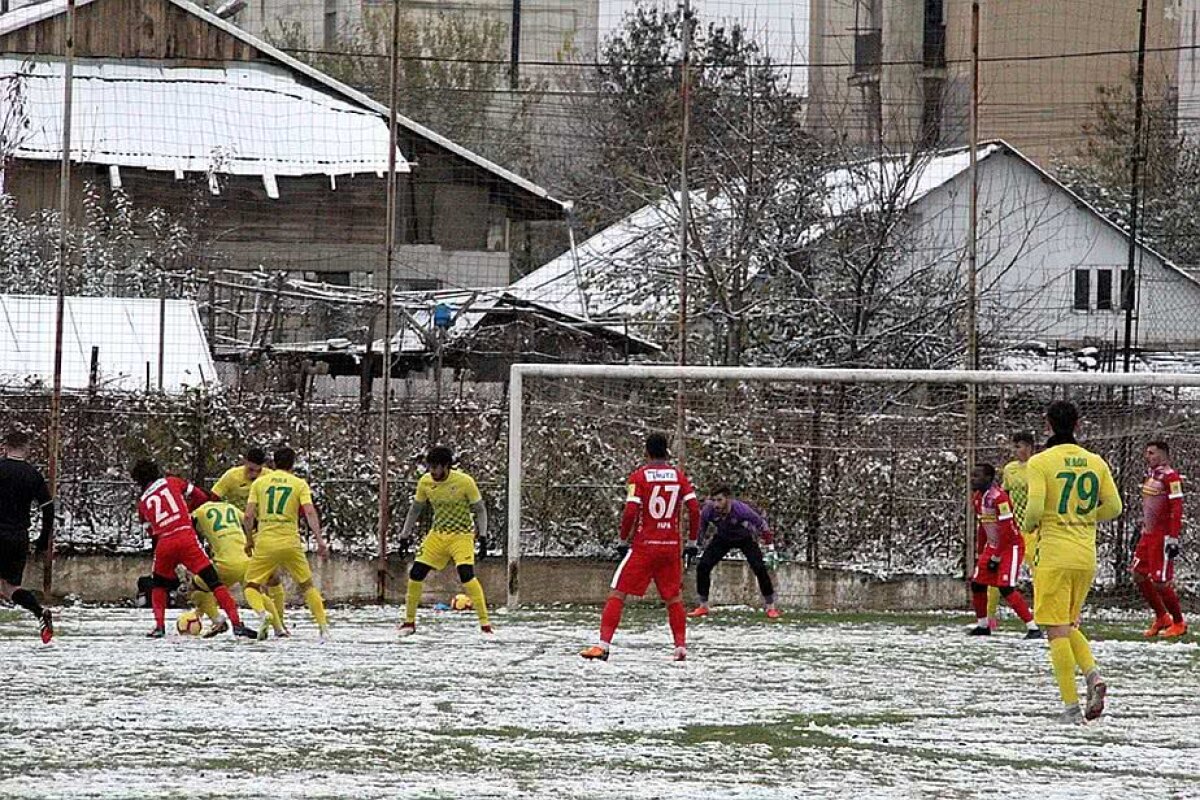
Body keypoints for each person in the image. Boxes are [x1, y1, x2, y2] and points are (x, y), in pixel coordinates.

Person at [1024, 400, 1122, 725]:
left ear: (1047, 424)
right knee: (1068, 624)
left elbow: (1035, 510)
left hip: (1053, 554)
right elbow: (1115, 507)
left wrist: (1028, 525)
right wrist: (1083, 517)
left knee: (1055, 631)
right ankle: (1093, 677)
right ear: (1077, 424)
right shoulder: (1095, 461)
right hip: (1085, 555)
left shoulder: (1040, 462)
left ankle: (1069, 709)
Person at [581, 433, 700, 662]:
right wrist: (692, 542)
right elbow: (694, 509)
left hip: (644, 546)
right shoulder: (679, 477)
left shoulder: (639, 477)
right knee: (674, 598)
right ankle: (680, 647)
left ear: (646, 452)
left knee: (618, 592)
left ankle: (604, 645)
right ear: (667, 452)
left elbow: (631, 512)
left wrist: (623, 539)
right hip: (671, 547)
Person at [131, 460, 255, 640]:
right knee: (214, 582)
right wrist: (187, 511)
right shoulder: (172, 481)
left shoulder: (142, 503)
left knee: (158, 585)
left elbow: (151, 531)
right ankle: (237, 624)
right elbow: (199, 495)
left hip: (165, 541)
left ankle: (159, 626)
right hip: (185, 536)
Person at [398, 447, 491, 636]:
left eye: (436, 467)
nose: (433, 472)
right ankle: (409, 623)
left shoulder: (464, 482)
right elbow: (415, 509)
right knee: (416, 573)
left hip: (462, 535)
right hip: (438, 535)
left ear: (447, 466)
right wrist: (404, 535)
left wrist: (483, 536)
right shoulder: (425, 482)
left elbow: (480, 509)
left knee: (466, 574)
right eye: (430, 467)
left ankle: (485, 625)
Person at [243, 447, 330, 642]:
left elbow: (248, 516)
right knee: (307, 585)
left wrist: (249, 540)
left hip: (265, 542)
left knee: (251, 586)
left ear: (273, 463)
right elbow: (309, 512)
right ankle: (323, 627)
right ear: (292, 464)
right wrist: (319, 540)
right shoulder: (299, 484)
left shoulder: (260, 483)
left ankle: (262, 614)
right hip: (291, 541)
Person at [211, 448, 289, 630]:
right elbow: (212, 498)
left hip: (259, 532)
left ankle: (280, 623)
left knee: (273, 578)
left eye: (257, 470)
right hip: (234, 534)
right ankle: (212, 617)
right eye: (250, 470)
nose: (253, 475)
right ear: (244, 462)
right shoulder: (231, 476)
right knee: (222, 579)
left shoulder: (269, 477)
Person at [190, 499, 287, 638]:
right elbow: (251, 521)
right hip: (247, 559)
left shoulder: (199, 512)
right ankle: (278, 629)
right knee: (257, 593)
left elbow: (188, 531)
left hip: (226, 564)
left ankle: (217, 619)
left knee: (198, 586)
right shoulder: (230, 507)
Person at [966, 463, 1041, 639]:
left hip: (1010, 546)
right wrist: (981, 552)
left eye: (977, 476)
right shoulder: (978, 498)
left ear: (989, 478)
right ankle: (983, 625)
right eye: (972, 475)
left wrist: (997, 556)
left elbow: (1007, 530)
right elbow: (983, 526)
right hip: (993, 546)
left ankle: (1033, 628)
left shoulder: (999, 498)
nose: (973, 479)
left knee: (1006, 587)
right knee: (977, 584)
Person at [688, 487, 779, 618]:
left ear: (728, 499)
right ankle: (703, 606)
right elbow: (701, 528)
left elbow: (761, 524)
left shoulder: (741, 510)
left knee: (759, 568)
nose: (716, 504)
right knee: (703, 566)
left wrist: (770, 548)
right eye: (713, 500)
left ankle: (771, 607)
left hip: (745, 538)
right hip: (723, 538)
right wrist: (695, 545)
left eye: (719, 500)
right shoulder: (708, 510)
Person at [0, 431, 55, 643]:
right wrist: (42, 539)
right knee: (10, 588)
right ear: (27, 449)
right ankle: (40, 613)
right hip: (17, 537)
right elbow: (48, 509)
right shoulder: (32, 474)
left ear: (5, 447)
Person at [1131, 440, 1187, 638]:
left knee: (1160, 582)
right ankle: (1162, 616)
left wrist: (1173, 537)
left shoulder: (1171, 477)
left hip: (1162, 537)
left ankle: (1179, 622)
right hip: (1147, 534)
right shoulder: (1152, 475)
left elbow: (1176, 508)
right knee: (1138, 574)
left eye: (1152, 453)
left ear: (1164, 454)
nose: (1148, 456)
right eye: (1147, 452)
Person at [984, 431, 1037, 629]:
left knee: (1038, 573)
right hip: (1013, 531)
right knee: (996, 571)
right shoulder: (1010, 469)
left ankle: (1040, 617)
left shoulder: (1039, 466)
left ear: (1031, 447)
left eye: (1021, 446)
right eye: (1015, 447)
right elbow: (1004, 494)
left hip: (1033, 529)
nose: (1017, 451)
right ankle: (989, 617)